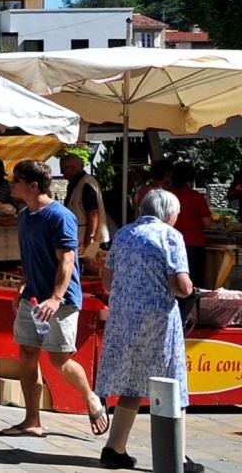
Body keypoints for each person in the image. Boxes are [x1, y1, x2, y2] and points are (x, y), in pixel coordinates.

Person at [96, 189, 204, 472]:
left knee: (132, 382)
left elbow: (106, 280)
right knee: (173, 384)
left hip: (123, 320)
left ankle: (114, 448)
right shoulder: (170, 236)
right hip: (158, 321)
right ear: (169, 213)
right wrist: (193, 289)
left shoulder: (123, 234)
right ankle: (176, 457)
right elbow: (181, 287)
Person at [0, 160, 109, 438]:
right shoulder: (24, 215)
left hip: (60, 301)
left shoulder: (60, 216)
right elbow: (30, 258)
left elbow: (68, 260)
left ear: (33, 185)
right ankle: (32, 420)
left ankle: (90, 398)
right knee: (27, 353)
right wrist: (22, 287)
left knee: (59, 359)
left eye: (17, 179)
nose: (12, 184)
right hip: (33, 298)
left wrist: (56, 298)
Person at [169, 160, 213, 286]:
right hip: (194, 243)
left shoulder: (167, 196)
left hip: (170, 243)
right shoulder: (196, 196)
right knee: (195, 281)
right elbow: (208, 223)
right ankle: (194, 305)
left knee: (173, 282)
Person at [60, 153, 108, 258]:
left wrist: (90, 237)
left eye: (63, 170)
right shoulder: (77, 183)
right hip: (80, 236)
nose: (63, 174)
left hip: (85, 238)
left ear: (73, 168)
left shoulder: (86, 183)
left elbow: (93, 213)